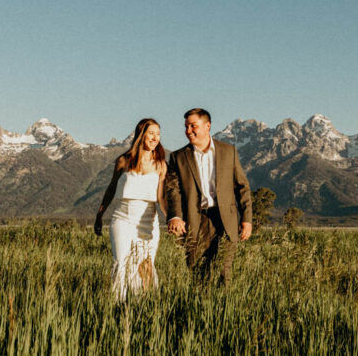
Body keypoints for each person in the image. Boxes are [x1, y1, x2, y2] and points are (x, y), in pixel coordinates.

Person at [165, 108, 253, 286]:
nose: (188, 131)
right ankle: (200, 312)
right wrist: (175, 216)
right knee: (197, 273)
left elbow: (242, 187)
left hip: (225, 221)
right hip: (195, 221)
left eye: (193, 126)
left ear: (207, 126)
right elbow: (173, 191)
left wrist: (247, 219)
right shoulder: (178, 157)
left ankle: (223, 312)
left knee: (223, 274)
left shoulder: (229, 151)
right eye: (186, 127)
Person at [94, 118, 167, 300]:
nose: (155, 138)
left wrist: (172, 217)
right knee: (121, 263)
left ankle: (146, 304)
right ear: (141, 135)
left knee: (146, 265)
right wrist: (100, 214)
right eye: (151, 133)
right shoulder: (123, 161)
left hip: (148, 221)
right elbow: (111, 188)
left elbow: (161, 197)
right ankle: (117, 305)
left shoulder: (161, 164)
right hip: (122, 218)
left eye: (158, 134)